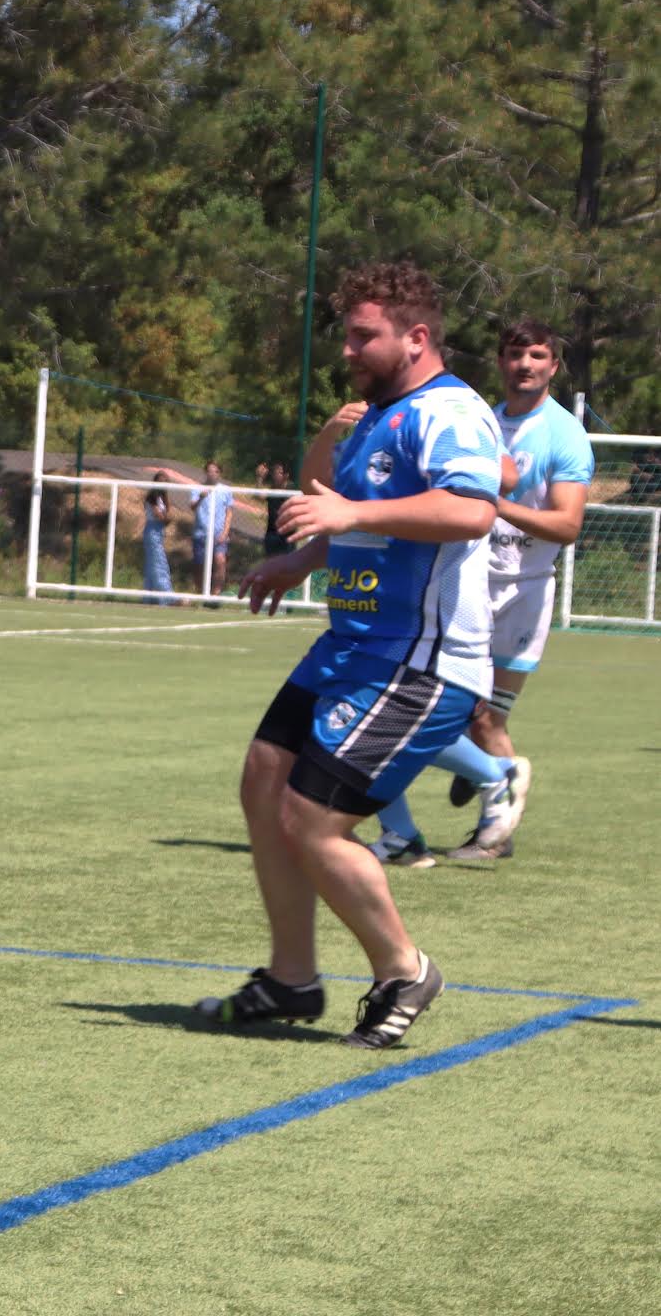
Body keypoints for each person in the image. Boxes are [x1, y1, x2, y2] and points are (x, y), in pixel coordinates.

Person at [208, 259, 501, 1050]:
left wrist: (352, 508)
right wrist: (304, 560)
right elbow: (351, 514)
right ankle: (292, 978)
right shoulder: (378, 413)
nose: (348, 349)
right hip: (352, 644)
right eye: (347, 333)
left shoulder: (452, 413)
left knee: (314, 819)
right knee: (264, 780)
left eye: (363, 335)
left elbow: (471, 511)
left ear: (417, 337)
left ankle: (404, 969)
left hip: (419, 661)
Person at [373, 318, 592, 865]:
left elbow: (566, 526)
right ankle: (476, 773)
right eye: (516, 354)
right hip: (463, 585)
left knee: (487, 719)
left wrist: (494, 506)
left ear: (553, 367)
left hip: (524, 591)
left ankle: (495, 830)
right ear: (500, 361)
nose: (526, 364)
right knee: (440, 708)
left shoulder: (563, 435)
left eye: (538, 355)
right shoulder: (483, 423)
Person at [189, 460, 235, 596]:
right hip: (201, 533)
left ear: (219, 473)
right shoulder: (197, 489)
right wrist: (200, 498)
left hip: (218, 533)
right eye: (209, 471)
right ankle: (200, 593)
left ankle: (216, 594)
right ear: (205, 472)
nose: (212, 474)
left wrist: (225, 532)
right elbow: (192, 507)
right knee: (199, 565)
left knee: (220, 561)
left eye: (215, 471)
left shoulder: (225, 490)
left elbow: (229, 512)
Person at [140, 473, 174, 603]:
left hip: (159, 531)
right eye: (161, 482)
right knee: (160, 563)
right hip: (152, 531)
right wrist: (166, 518)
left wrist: (166, 517)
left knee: (151, 565)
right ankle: (168, 596)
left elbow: (167, 514)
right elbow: (160, 516)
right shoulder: (151, 498)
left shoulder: (162, 498)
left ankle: (150, 597)